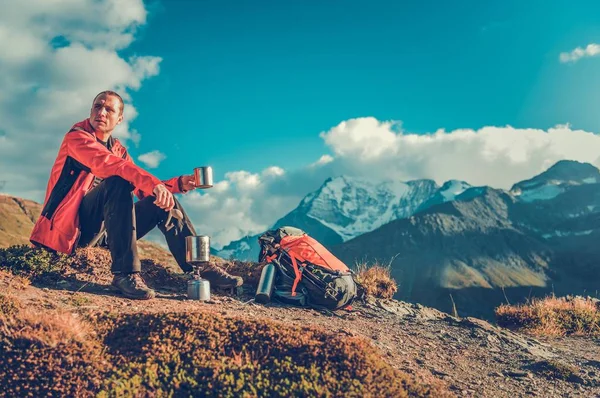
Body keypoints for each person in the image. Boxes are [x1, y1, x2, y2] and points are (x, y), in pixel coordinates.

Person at [30, 90, 242, 300]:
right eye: (97, 107)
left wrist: (177, 184)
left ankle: (200, 266)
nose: (101, 112)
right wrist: (155, 185)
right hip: (69, 234)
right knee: (117, 179)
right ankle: (125, 274)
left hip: (105, 235)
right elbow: (108, 164)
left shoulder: (117, 149)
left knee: (162, 201)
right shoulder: (77, 138)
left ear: (119, 119)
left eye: (109, 109)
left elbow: (141, 187)